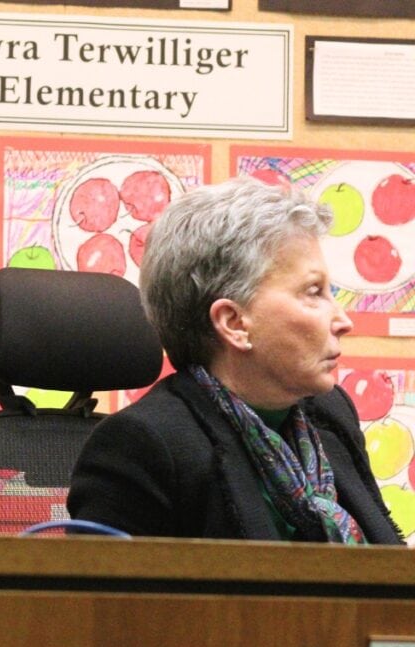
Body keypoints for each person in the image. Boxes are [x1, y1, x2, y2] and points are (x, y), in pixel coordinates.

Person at [66, 176, 403, 544]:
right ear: (234, 323)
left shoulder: (330, 412)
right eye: (313, 292)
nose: (343, 321)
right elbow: (107, 602)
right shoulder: (142, 447)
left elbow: (387, 560)